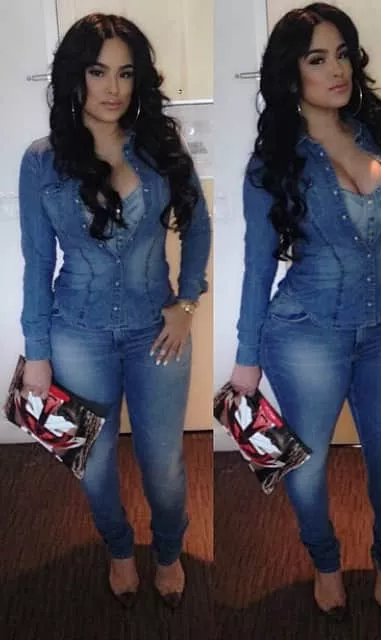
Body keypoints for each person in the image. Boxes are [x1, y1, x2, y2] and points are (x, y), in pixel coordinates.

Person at [229, 2, 381, 621]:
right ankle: (325, 564)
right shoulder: (273, 165)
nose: (337, 69)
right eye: (318, 59)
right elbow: (258, 268)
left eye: (342, 54)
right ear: (292, 74)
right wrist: (245, 360)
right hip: (303, 335)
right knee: (308, 470)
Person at [18, 13, 211, 608]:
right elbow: (36, 263)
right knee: (94, 464)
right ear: (75, 77)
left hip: (158, 333)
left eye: (126, 73)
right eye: (99, 71)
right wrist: (37, 354)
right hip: (77, 335)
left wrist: (186, 301)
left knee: (164, 463)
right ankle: (120, 550)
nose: (113, 88)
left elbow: (198, 226)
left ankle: (169, 552)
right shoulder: (42, 161)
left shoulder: (160, 148)